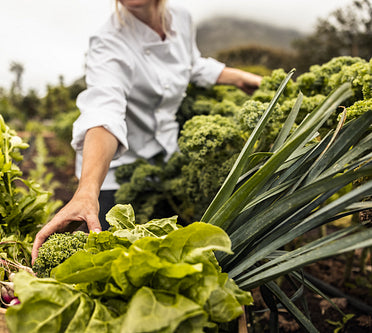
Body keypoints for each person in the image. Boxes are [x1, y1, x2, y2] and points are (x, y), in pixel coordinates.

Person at [32, 0, 262, 261]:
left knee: (168, 261)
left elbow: (191, 64)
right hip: (115, 172)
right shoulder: (109, 40)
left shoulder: (181, 17)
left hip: (166, 161)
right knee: (118, 265)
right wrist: (87, 191)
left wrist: (239, 77)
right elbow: (104, 109)